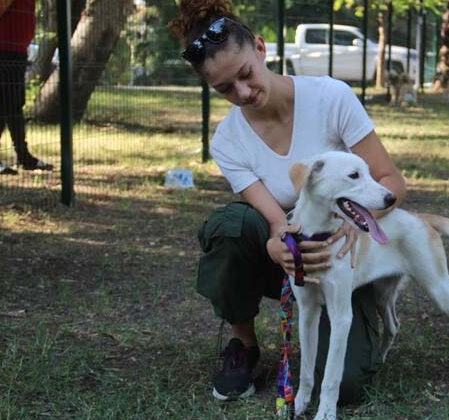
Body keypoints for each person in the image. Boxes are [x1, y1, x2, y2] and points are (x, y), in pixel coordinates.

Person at [169, 0, 407, 405]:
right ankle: (243, 346)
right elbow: (276, 218)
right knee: (233, 225)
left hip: (343, 253)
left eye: (245, 74)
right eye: (225, 88)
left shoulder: (332, 97)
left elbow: (390, 181)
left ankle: (348, 327)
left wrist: (357, 222)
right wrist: (277, 242)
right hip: (290, 252)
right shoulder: (227, 141)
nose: (242, 93)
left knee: (349, 387)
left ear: (260, 49)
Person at [0, 0, 53, 175]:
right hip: (5, 44)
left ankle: (23, 155)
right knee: (4, 99)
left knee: (15, 101)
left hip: (16, 46)